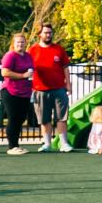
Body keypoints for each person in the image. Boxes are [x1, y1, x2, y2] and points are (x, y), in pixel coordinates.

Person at [28, 22, 74, 152]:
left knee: (62, 117)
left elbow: (66, 68)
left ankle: (64, 144)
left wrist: (68, 85)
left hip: (59, 89)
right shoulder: (32, 50)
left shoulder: (59, 49)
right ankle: (47, 144)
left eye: (50, 32)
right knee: (44, 119)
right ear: (39, 34)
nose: (48, 35)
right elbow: (28, 69)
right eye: (45, 33)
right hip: (39, 90)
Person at [0, 33, 35, 155]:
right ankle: (12, 146)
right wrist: (23, 76)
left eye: (22, 42)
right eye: (18, 42)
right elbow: (4, 72)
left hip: (25, 92)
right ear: (13, 44)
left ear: (25, 43)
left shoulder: (28, 56)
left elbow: (31, 72)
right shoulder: (10, 55)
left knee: (21, 119)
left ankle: (16, 145)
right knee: (13, 118)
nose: (20, 44)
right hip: (11, 92)